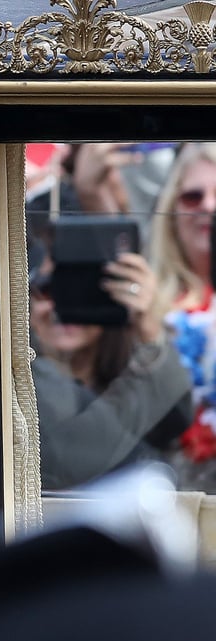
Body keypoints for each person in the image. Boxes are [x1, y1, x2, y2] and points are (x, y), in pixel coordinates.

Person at [28, 240, 192, 490]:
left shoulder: (130, 368)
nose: (61, 305)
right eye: (48, 290)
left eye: (81, 291)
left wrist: (148, 327)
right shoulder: (16, 388)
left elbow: (174, 424)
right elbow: (71, 458)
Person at [145, 143, 216, 487]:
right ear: (172, 211)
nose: (209, 206)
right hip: (172, 491)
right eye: (193, 196)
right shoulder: (146, 302)